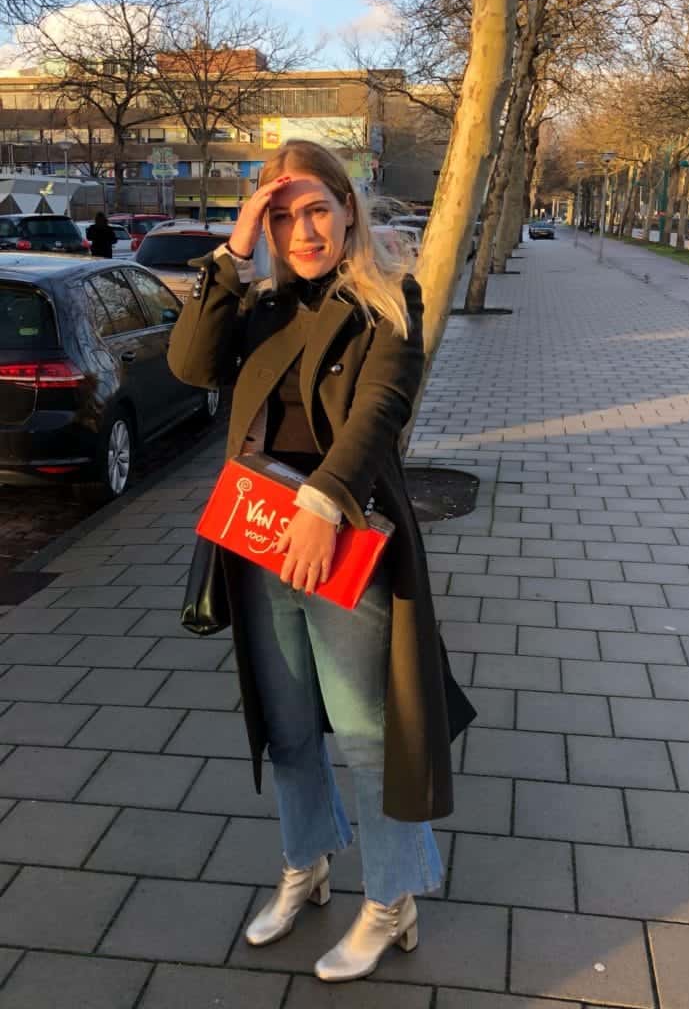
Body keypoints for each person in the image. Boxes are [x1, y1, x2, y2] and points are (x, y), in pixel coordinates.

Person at [167, 139, 475, 983]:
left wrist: (321, 502)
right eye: (281, 213)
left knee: (373, 734)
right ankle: (307, 865)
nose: (301, 229)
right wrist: (233, 251)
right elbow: (189, 363)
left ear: (347, 209)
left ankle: (393, 900)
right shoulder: (259, 302)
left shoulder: (388, 300)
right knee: (289, 725)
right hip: (258, 541)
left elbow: (381, 411)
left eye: (315, 209)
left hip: (341, 545)